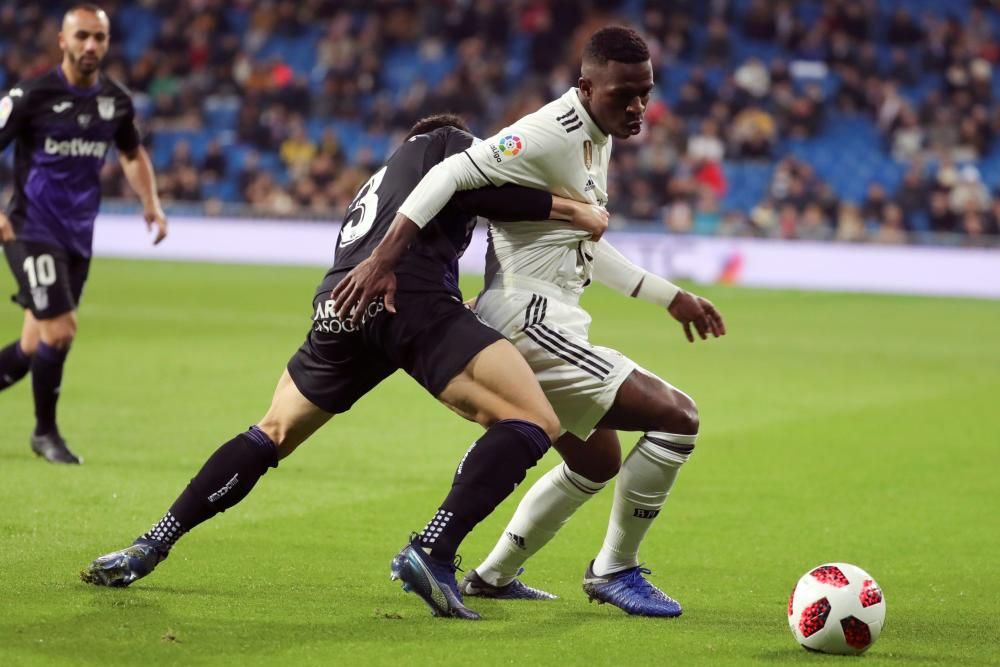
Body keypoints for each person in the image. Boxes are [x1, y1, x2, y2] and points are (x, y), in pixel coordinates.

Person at [80, 113, 609, 622]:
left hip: (339, 305)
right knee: (531, 418)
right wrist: (568, 208)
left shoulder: (378, 183)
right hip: (406, 299)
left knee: (272, 431)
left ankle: (153, 541)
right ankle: (435, 548)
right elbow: (479, 189)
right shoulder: (444, 144)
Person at [335, 26, 725, 619]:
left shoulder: (600, 135)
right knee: (678, 418)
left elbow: (582, 242)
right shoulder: (551, 131)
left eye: (645, 92)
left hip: (550, 315)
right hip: (529, 318)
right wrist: (383, 259)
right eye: (623, 94)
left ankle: (494, 575)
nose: (637, 106)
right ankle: (614, 570)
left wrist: (669, 297)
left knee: (596, 460)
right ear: (585, 87)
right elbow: (449, 176)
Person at [0, 3, 167, 464]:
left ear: (108, 42)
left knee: (33, 347)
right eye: (82, 36)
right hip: (29, 228)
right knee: (61, 332)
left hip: (78, 236)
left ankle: (42, 428)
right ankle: (44, 433)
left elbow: (132, 155)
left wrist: (150, 203)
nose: (90, 45)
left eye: (99, 37)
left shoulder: (115, 101)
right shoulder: (30, 96)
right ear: (62, 40)